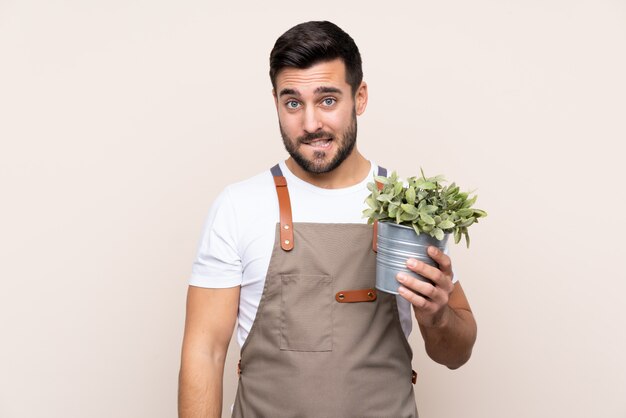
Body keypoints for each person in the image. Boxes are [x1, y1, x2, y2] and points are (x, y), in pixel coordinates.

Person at [178, 20, 477, 418]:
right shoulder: (238, 206)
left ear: (360, 97)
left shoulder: (409, 207)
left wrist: (438, 316)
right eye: (293, 102)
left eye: (328, 100)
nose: (311, 123)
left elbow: (455, 354)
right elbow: (205, 352)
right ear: (276, 103)